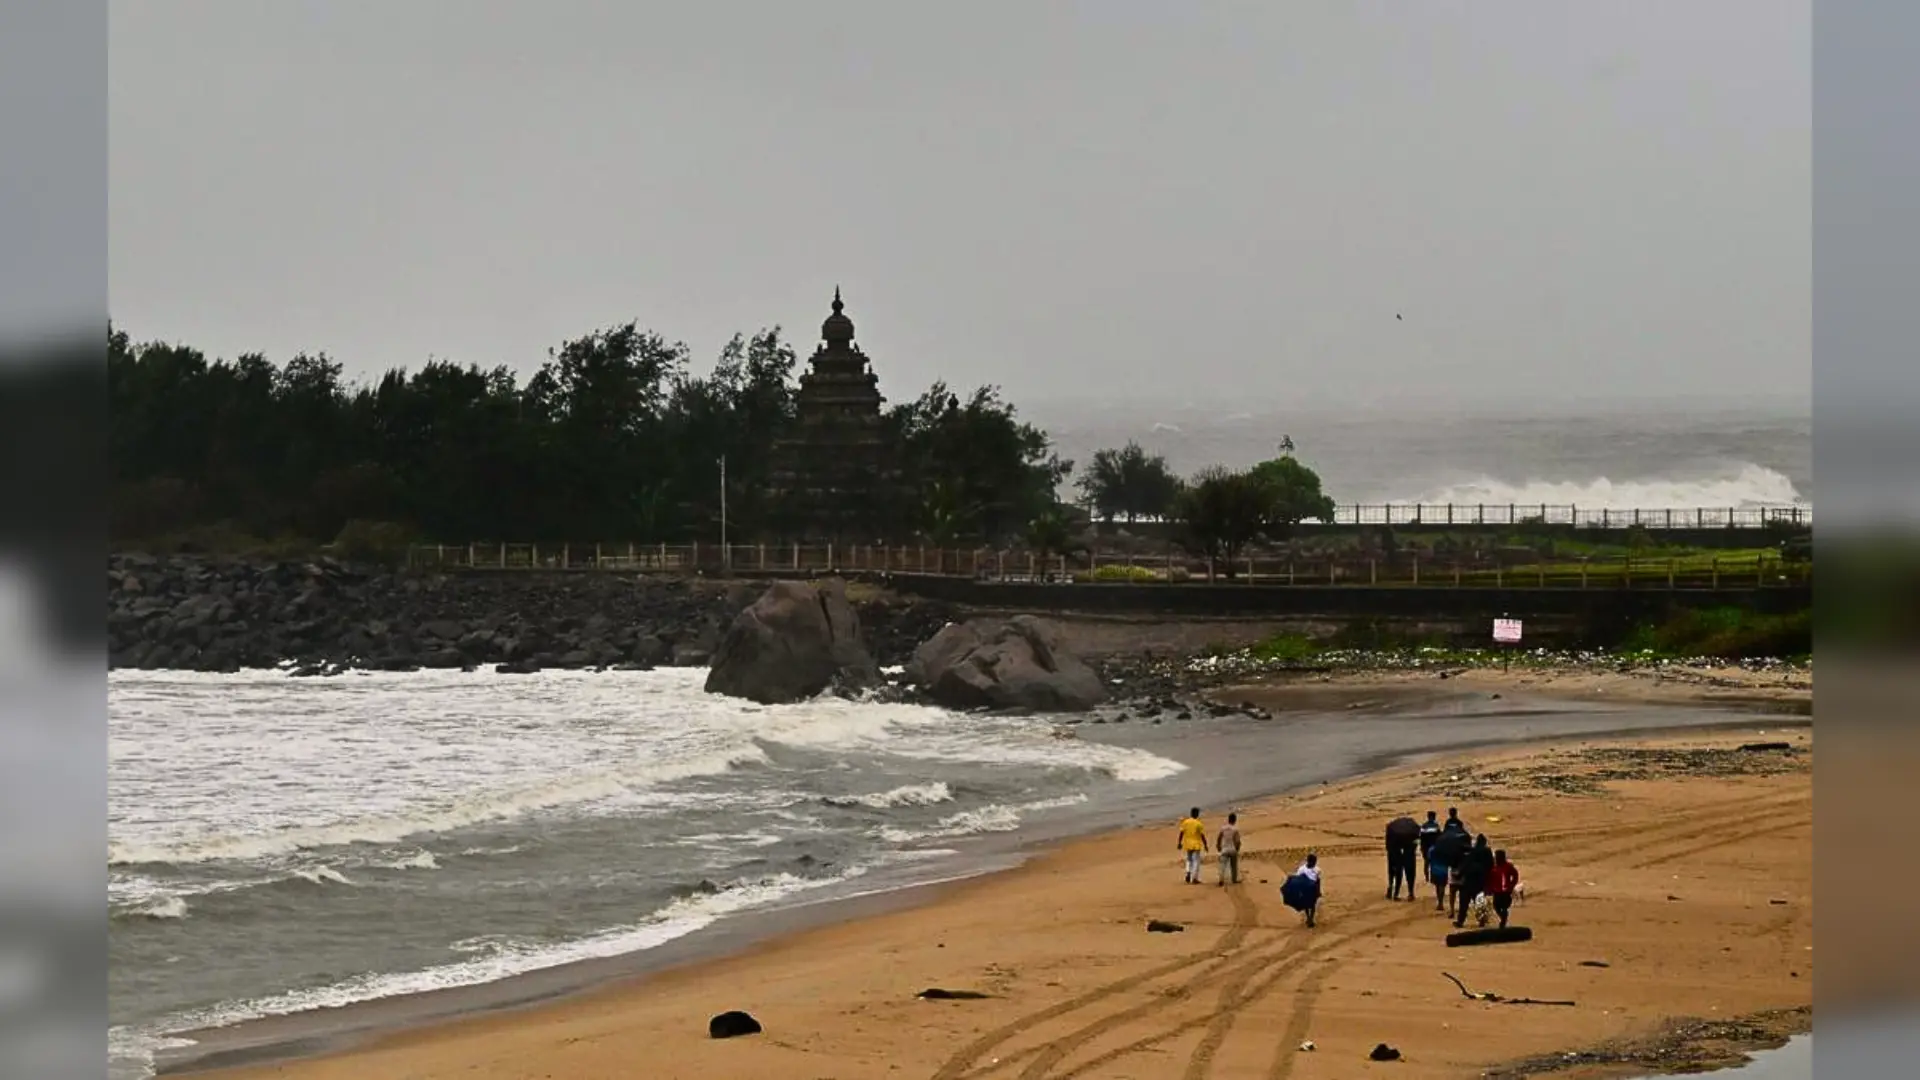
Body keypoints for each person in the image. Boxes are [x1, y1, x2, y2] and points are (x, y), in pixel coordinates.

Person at [1455, 834, 1495, 928]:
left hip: (1469, 880)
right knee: (1479, 902)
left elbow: (1466, 864)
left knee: (1464, 902)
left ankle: (1460, 921)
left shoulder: (1472, 851)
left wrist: (1459, 874)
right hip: (1481, 880)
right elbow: (1491, 866)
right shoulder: (1487, 851)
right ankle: (1481, 921)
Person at [1431, 821, 1469, 912]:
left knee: (1442, 888)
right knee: (1458, 890)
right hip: (1452, 870)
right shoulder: (1459, 850)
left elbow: (1429, 860)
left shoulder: (1434, 848)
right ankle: (1459, 908)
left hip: (1438, 869)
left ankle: (1443, 904)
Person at [1282, 852, 1323, 927]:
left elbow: (1318, 880)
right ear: (1309, 861)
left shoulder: (1317, 870)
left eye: (1315, 862)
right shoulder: (1302, 869)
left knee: (1313, 904)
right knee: (1306, 904)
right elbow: (1298, 879)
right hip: (1305, 889)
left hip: (1313, 889)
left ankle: (1311, 919)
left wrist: (1318, 891)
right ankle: (1308, 918)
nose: (1314, 863)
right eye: (1314, 862)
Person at [1384, 817, 1420, 901]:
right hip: (1408, 851)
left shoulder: (1391, 828)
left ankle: (1392, 891)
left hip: (1394, 851)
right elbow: (1416, 842)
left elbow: (1388, 846)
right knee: (1410, 871)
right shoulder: (1413, 829)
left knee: (1394, 871)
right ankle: (1410, 893)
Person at [1486, 850, 1521, 929]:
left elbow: (1515, 875)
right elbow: (1489, 878)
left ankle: (1503, 921)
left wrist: (1512, 885)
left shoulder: (1508, 866)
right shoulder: (1493, 867)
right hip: (1496, 891)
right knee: (1496, 906)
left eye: (1497, 857)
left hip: (1506, 891)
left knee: (1504, 907)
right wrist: (1489, 888)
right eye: (1496, 857)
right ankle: (1503, 918)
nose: (1496, 858)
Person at [1177, 807, 1209, 884]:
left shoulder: (1185, 822)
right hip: (1196, 844)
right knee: (1196, 861)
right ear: (1197, 814)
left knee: (1189, 859)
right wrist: (1205, 845)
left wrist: (1179, 842)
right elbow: (1202, 835)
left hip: (1187, 843)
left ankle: (1188, 872)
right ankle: (1194, 878)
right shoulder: (1198, 823)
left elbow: (1181, 833)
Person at [1215, 813, 1243, 886]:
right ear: (1235, 820)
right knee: (1233, 866)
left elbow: (1219, 838)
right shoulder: (1235, 829)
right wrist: (1237, 849)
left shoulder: (1223, 828)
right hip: (1232, 848)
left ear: (1228, 819)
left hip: (1225, 848)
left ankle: (1221, 879)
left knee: (1222, 865)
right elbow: (1237, 841)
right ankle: (1234, 879)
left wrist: (1218, 846)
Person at [1417, 811, 1442, 880]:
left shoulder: (1424, 826)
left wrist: (1421, 847)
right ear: (1434, 817)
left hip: (1425, 847)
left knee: (1426, 863)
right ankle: (1431, 877)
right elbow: (1439, 837)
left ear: (1428, 817)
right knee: (1433, 863)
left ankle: (1427, 877)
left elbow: (1421, 837)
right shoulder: (1436, 826)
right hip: (1433, 847)